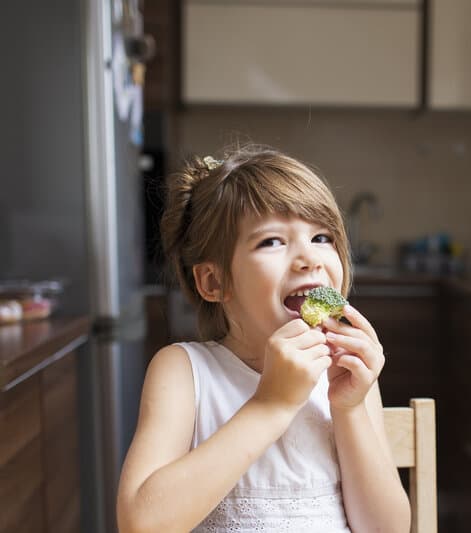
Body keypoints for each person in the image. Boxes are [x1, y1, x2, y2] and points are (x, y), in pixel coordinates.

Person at [116, 145, 411, 532]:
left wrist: (350, 408)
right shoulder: (184, 372)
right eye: (272, 241)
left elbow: (387, 529)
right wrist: (271, 404)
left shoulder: (348, 379)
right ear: (214, 281)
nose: (310, 258)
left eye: (322, 237)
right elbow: (141, 523)